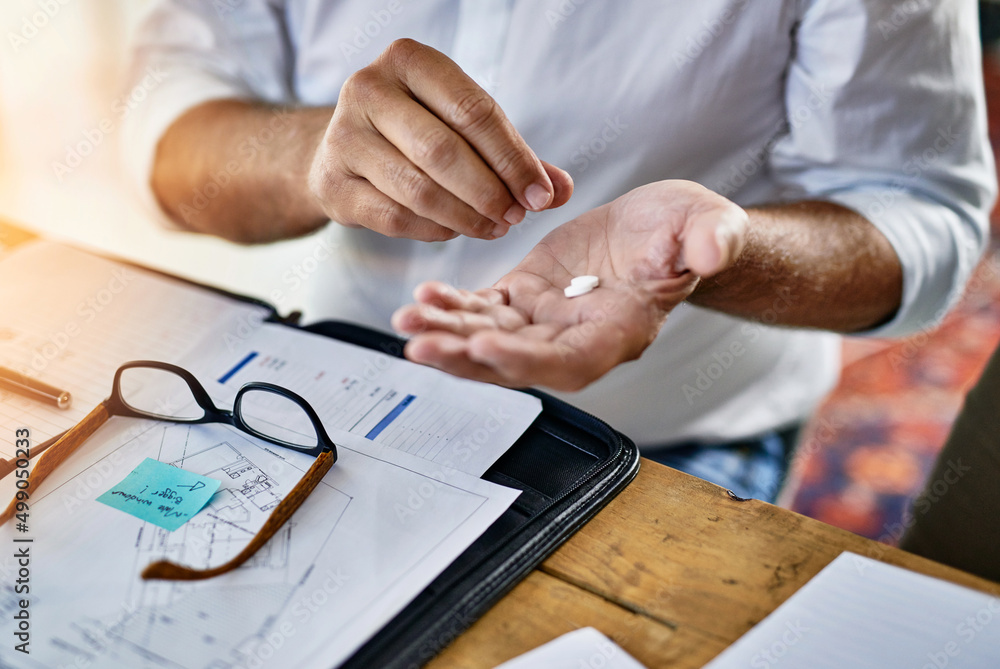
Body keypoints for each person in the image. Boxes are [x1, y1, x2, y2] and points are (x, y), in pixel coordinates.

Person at [123, 2, 995, 501]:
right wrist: (307, 156)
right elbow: (168, 123)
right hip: (346, 387)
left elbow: (924, 214)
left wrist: (710, 251)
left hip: (669, 434)